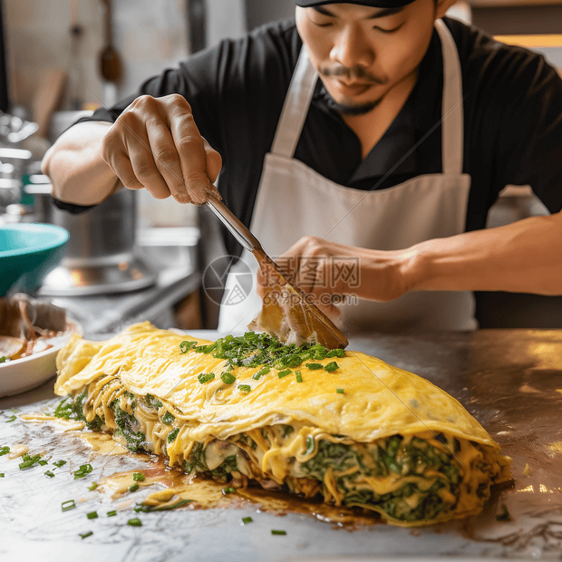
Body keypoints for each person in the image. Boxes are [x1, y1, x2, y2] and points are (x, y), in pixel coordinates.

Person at [42, 0, 562, 334]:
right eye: (323, 19)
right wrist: (111, 144)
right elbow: (62, 171)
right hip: (250, 398)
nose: (345, 55)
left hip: (440, 387)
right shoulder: (247, 72)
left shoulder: (505, 84)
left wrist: (405, 268)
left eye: (385, 24)